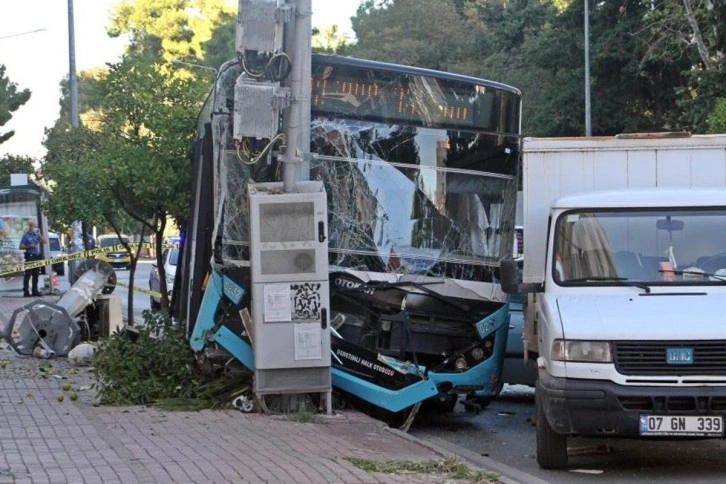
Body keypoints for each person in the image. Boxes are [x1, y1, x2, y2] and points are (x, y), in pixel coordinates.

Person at [19, 220, 45, 297]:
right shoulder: (26, 235)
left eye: (36, 226)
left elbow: (44, 241)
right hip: (30, 256)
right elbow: (20, 246)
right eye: (34, 226)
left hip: (37, 257)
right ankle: (26, 291)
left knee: (36, 274)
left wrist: (39, 234)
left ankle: (35, 290)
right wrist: (29, 246)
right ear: (30, 226)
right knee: (28, 274)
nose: (35, 228)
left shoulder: (36, 235)